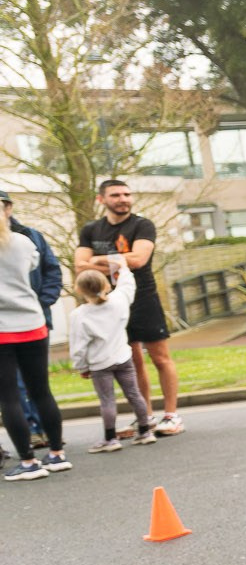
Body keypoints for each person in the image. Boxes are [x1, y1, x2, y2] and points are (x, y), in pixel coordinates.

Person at [75, 178, 182, 435]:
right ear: (101, 199)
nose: (123, 199)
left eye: (126, 194)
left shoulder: (142, 225)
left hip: (142, 298)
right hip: (108, 303)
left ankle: (171, 416)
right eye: (115, 195)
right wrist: (117, 262)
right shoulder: (91, 229)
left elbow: (139, 260)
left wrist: (98, 260)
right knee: (132, 361)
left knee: (160, 357)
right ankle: (145, 417)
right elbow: (80, 265)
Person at [1, 191, 68, 479]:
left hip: (2, 330)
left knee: (9, 398)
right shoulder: (24, 241)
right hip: (32, 322)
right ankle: (57, 454)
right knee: (41, 391)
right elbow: (33, 267)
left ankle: (28, 462)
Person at [71, 263, 156, 453]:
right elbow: (128, 285)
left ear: (79, 290)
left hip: (99, 364)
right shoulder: (119, 301)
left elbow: (78, 346)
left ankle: (110, 439)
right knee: (134, 394)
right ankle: (145, 431)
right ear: (106, 285)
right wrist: (123, 268)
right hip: (124, 358)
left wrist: (81, 367)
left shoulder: (79, 315)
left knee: (107, 400)